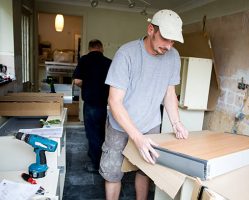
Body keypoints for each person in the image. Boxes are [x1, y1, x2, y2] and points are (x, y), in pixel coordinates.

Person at [99, 9, 189, 200]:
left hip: (150, 124)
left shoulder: (173, 57)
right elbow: (114, 101)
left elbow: (170, 93)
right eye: (165, 39)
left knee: (146, 171)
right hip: (119, 125)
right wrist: (137, 138)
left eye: (173, 41)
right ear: (150, 30)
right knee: (113, 172)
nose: (169, 46)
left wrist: (176, 123)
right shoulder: (126, 54)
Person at [73, 39, 111, 172]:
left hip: (90, 104)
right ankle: (99, 158)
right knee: (102, 133)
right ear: (101, 48)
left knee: (92, 133)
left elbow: (77, 81)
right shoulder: (108, 62)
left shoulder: (84, 60)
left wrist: (88, 84)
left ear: (90, 48)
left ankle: (96, 165)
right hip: (106, 105)